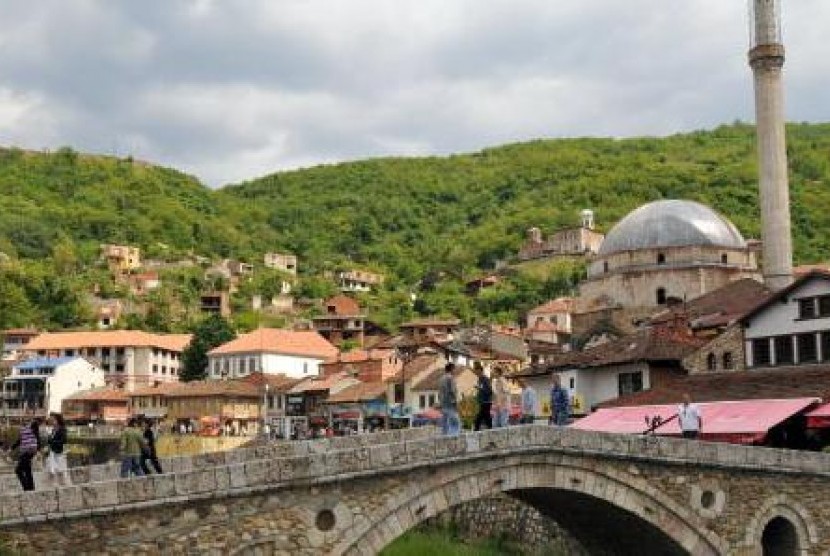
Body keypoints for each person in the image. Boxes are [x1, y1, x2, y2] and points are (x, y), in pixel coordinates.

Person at [11, 418, 41, 491]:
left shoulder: (33, 425)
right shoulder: (23, 429)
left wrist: (38, 450)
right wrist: (12, 448)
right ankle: (31, 488)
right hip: (25, 451)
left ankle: (26, 488)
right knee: (27, 470)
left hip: (29, 451)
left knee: (18, 470)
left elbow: (37, 437)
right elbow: (20, 440)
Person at [46, 413, 71, 486]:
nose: (51, 421)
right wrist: (49, 440)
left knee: (61, 472)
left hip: (59, 454)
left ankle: (64, 486)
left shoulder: (62, 429)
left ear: (57, 420)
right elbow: (50, 440)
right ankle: (53, 486)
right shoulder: (53, 429)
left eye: (53, 420)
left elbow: (64, 440)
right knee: (51, 471)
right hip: (53, 453)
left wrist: (52, 441)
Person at [438, 362, 461, 436]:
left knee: (445, 423)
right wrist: (455, 402)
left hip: (443, 403)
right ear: (451, 369)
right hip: (450, 404)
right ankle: (453, 439)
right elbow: (452, 391)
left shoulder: (441, 379)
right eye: (454, 369)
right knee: (455, 423)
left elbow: (439, 392)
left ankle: (444, 438)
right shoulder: (450, 378)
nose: (455, 371)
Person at [473, 362, 493, 431]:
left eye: (477, 371)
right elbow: (481, 390)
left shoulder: (485, 379)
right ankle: (490, 429)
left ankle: (477, 429)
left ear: (480, 370)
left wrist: (479, 388)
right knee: (486, 416)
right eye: (475, 371)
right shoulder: (479, 379)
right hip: (481, 401)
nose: (476, 372)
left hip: (486, 401)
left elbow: (489, 391)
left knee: (480, 417)